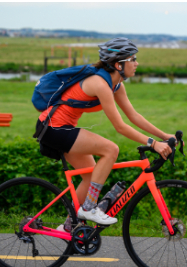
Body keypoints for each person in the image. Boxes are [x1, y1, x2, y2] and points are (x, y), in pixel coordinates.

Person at [35, 38, 176, 231]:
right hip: (53, 128)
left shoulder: (116, 85)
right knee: (111, 149)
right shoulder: (100, 83)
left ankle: (70, 227)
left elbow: (133, 116)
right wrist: (153, 144)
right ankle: (90, 208)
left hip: (59, 128)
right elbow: (120, 126)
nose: (136, 63)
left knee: (90, 176)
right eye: (132, 59)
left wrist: (165, 136)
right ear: (118, 64)